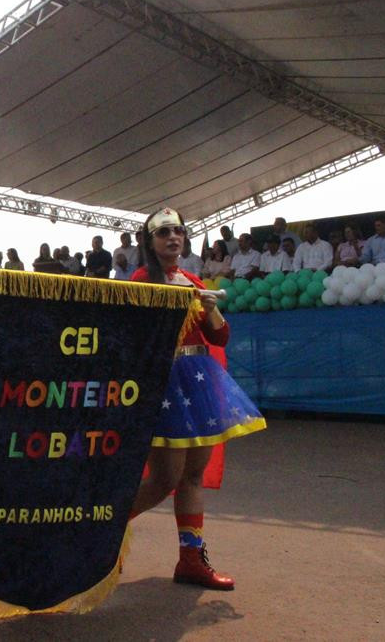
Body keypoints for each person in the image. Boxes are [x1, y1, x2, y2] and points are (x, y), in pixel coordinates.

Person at [130, 207, 265, 590]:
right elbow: (138, 336)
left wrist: (211, 309)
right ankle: (97, 536)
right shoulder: (142, 280)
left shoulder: (191, 279)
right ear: (151, 242)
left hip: (199, 382)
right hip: (166, 385)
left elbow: (219, 338)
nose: (173, 238)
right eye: (164, 232)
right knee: (162, 480)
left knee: (192, 476)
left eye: (179, 232)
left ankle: (191, 560)